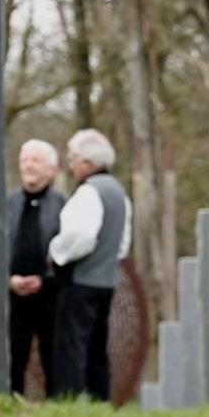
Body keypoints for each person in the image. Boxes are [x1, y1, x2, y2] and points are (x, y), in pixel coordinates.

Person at [49, 129, 132, 401]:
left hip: (81, 280)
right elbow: (122, 244)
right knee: (98, 348)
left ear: (87, 162)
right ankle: (99, 399)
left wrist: (55, 253)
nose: (71, 164)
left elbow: (81, 237)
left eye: (73, 158)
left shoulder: (88, 193)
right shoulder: (120, 194)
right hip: (107, 281)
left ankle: (68, 399)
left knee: (71, 346)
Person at [7, 139, 66, 397]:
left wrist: (46, 280)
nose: (28, 166)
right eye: (24, 160)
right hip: (12, 296)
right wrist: (8, 279)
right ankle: (10, 403)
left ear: (52, 170)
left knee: (53, 357)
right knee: (13, 355)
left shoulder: (63, 206)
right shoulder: (7, 205)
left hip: (51, 297)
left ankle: (58, 409)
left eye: (35, 160)